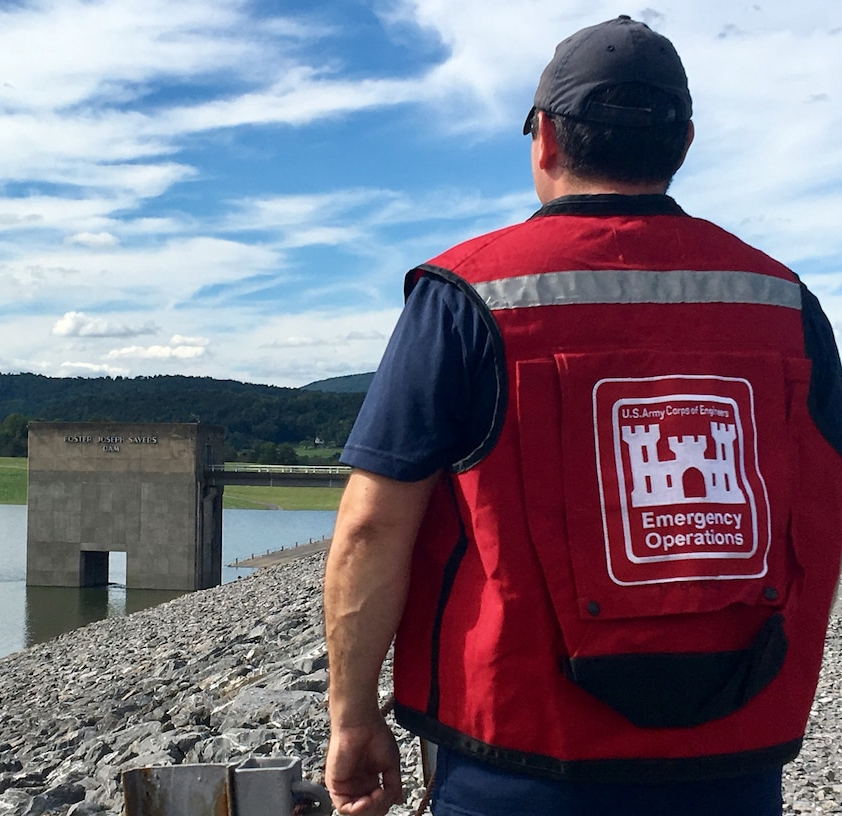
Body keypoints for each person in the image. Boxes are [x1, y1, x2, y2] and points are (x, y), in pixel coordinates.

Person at [323, 15, 842, 816]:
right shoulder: (787, 304)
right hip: (734, 751)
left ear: (545, 142)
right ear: (685, 143)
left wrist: (352, 717)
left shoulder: (467, 297)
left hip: (520, 761)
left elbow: (373, 527)